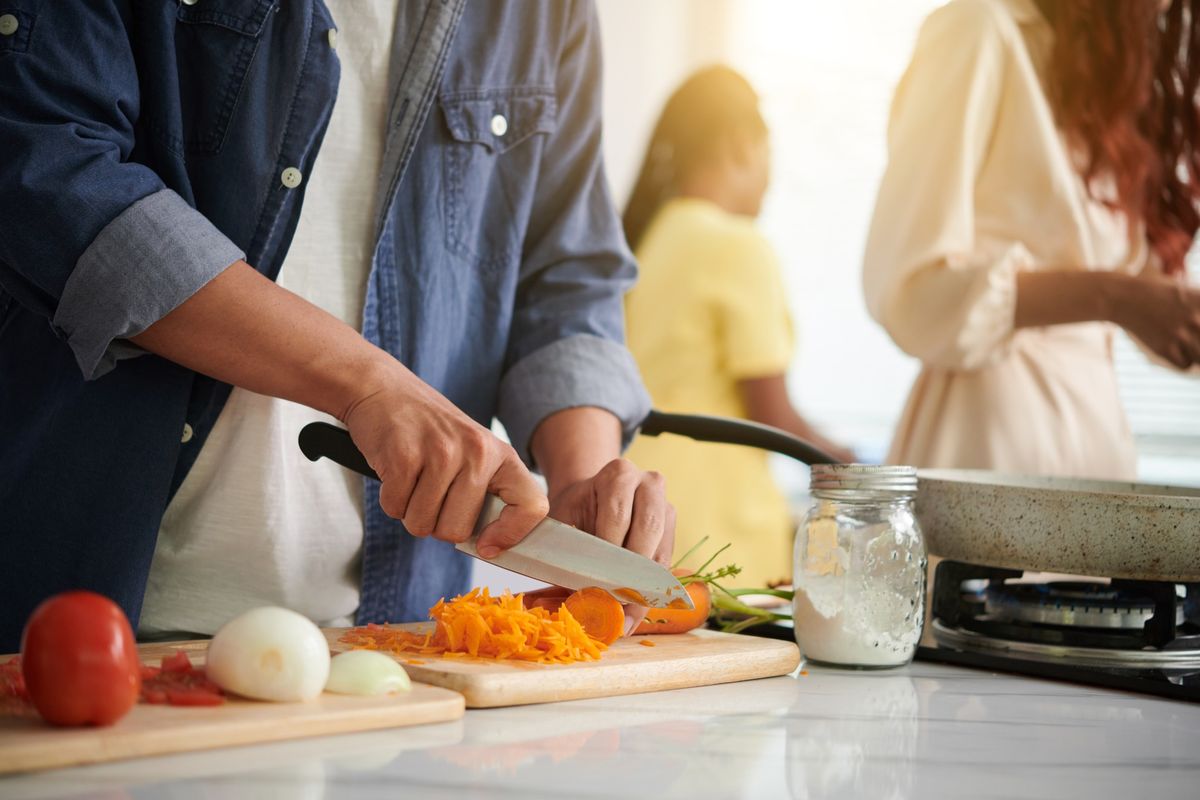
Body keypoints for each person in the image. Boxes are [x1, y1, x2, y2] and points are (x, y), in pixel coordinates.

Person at [0, 1, 673, 651]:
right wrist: (367, 385)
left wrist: (584, 484)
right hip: (86, 621)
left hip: (395, 643)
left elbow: (563, 275)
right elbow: (50, 171)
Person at [864, 0, 1200, 479]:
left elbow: (1160, 305)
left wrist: (1158, 308)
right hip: (987, 441)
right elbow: (911, 295)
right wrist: (1113, 297)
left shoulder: (1112, 82)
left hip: (1100, 443)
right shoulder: (976, 31)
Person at [621, 67, 854, 587]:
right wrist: (848, 462)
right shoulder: (737, 243)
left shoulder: (652, 238)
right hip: (719, 526)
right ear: (740, 144)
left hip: (645, 512)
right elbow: (769, 411)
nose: (772, 175)